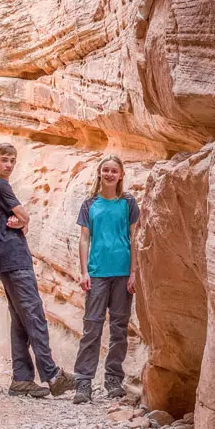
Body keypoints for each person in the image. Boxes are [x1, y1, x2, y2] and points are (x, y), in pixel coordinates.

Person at [0, 142, 75, 399]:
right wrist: (22, 221)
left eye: (13, 160)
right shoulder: (0, 185)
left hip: (7, 262)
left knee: (20, 322)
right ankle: (52, 375)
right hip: (15, 260)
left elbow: (19, 220)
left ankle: (22, 379)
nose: (9, 164)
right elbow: (23, 216)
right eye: (4, 159)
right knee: (35, 316)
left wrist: (20, 222)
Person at [72, 155, 140, 405]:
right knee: (92, 327)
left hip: (122, 274)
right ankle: (83, 382)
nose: (110, 174)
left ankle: (113, 379)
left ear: (121, 175)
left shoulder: (128, 203)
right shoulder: (90, 204)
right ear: (100, 173)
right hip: (98, 273)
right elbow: (84, 239)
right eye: (106, 170)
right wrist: (84, 272)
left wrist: (134, 272)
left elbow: (134, 238)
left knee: (119, 329)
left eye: (114, 171)